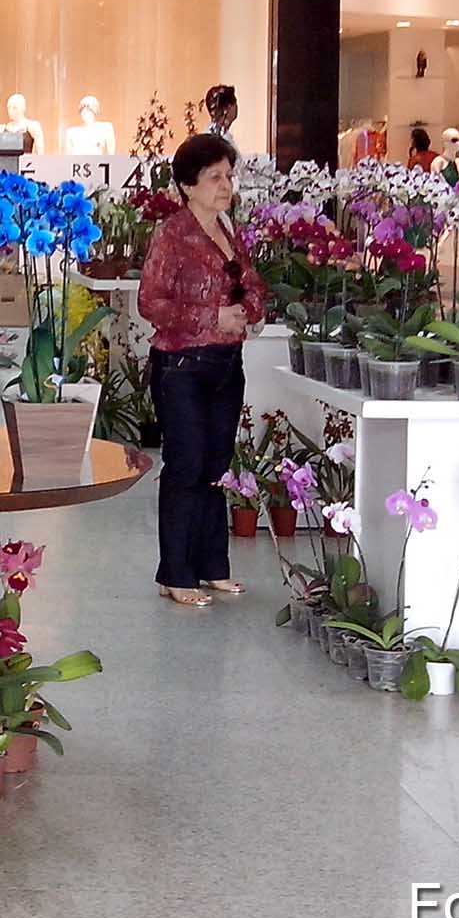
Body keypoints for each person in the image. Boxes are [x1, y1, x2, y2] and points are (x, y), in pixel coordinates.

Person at [137, 133, 264, 609]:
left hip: (226, 364)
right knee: (187, 466)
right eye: (215, 177)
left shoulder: (228, 231)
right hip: (182, 365)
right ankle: (175, 572)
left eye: (228, 176)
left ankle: (213, 566)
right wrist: (213, 316)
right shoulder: (172, 234)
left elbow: (253, 285)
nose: (225, 185)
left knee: (215, 467)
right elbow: (151, 302)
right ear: (188, 186)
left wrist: (247, 310)